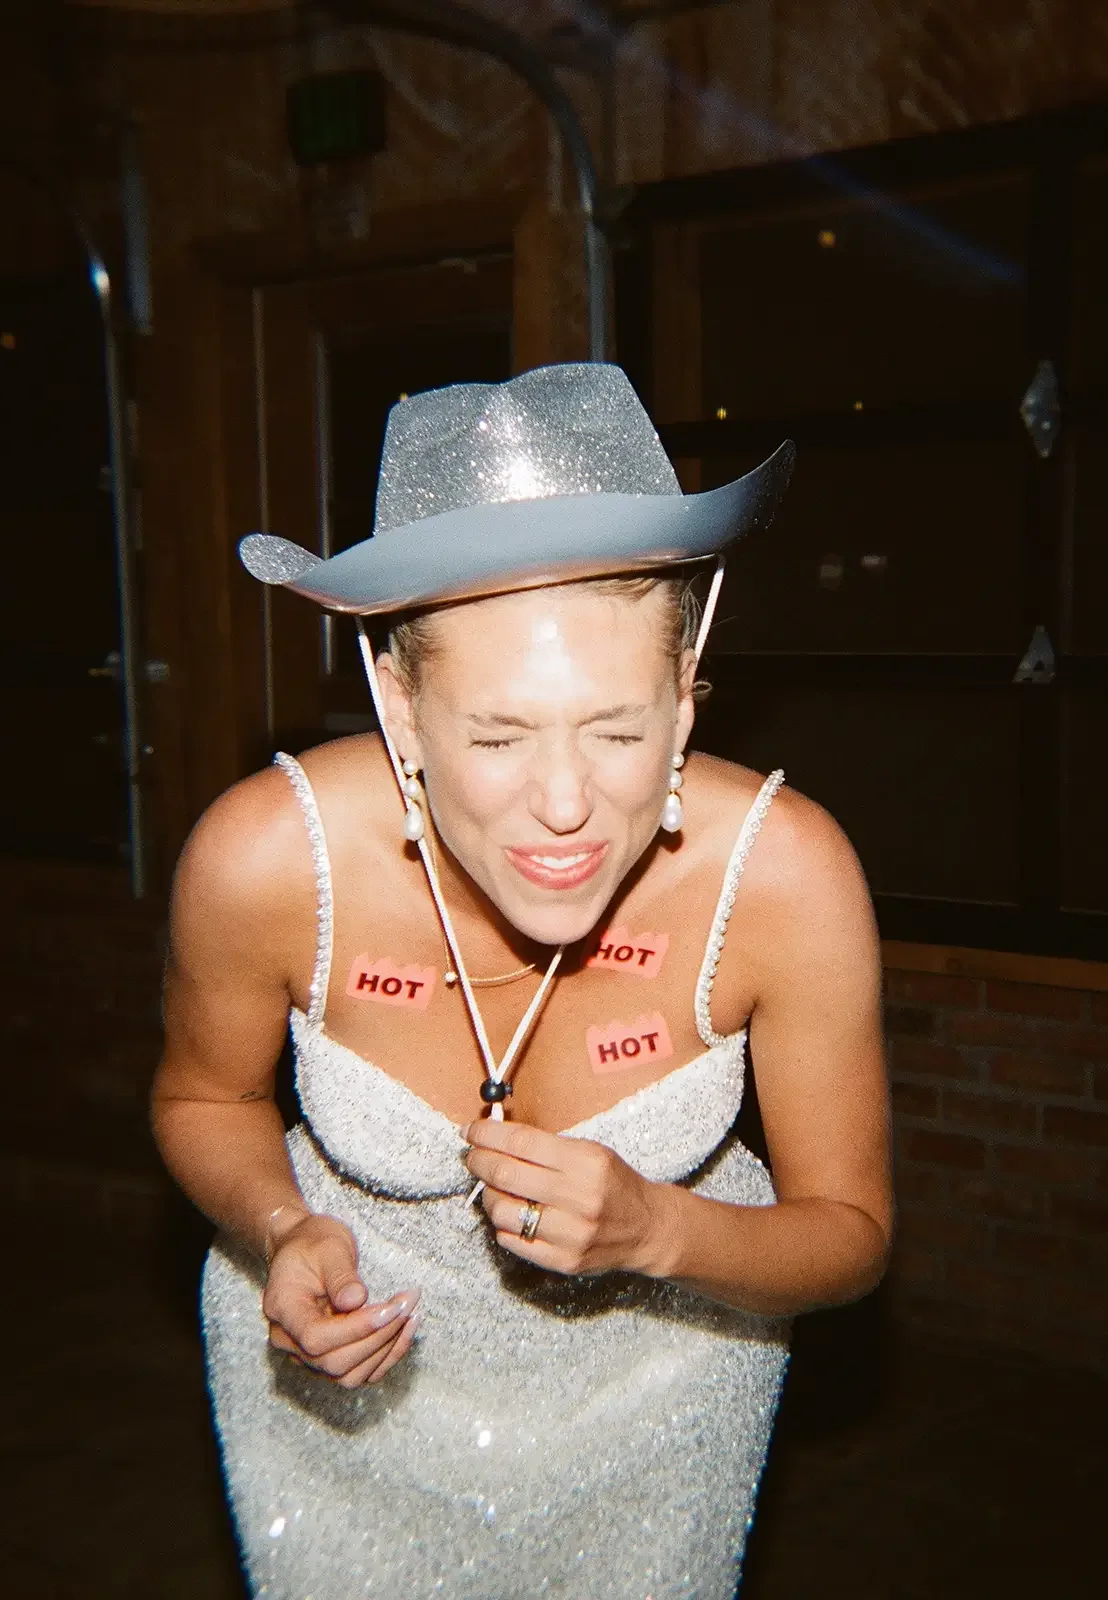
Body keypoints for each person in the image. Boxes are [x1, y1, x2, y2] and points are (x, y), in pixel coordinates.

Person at [151, 363, 891, 1599]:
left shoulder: (785, 876)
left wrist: (663, 1228)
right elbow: (200, 1099)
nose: (562, 805)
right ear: (398, 700)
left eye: (616, 729)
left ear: (687, 691)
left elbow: (853, 1238)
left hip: (658, 1414)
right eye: (496, 737)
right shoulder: (266, 857)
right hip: (349, 1413)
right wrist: (282, 1225)